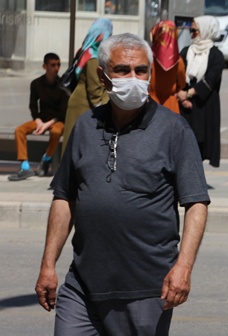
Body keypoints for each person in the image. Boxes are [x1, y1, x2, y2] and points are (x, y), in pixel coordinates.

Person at [34, 33, 210, 335]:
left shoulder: (174, 130)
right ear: (103, 77)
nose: (133, 78)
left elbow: (196, 203)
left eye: (141, 70)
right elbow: (64, 197)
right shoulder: (85, 127)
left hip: (145, 288)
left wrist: (184, 267)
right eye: (122, 70)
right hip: (83, 286)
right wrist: (48, 265)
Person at [9, 53, 68, 181]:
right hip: (41, 119)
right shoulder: (36, 84)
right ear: (44, 66)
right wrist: (39, 121)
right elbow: (33, 106)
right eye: (53, 65)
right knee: (20, 130)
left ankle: (46, 159)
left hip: (57, 120)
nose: (56, 68)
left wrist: (46, 125)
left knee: (56, 131)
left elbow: (62, 112)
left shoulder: (63, 85)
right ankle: (25, 167)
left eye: (58, 65)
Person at [177, 16, 224, 167]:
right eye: (190, 30)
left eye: (195, 31)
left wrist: (189, 94)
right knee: (184, 144)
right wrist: (182, 97)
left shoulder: (216, 55)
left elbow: (211, 79)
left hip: (205, 107)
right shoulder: (186, 51)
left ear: (205, 31)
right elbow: (178, 75)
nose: (191, 34)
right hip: (185, 106)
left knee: (200, 145)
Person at [61, 18, 112, 155]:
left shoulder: (86, 50)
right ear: (101, 34)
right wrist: (103, 110)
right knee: (77, 147)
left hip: (79, 102)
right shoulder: (94, 57)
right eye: (109, 33)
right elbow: (94, 90)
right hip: (84, 105)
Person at [149, 20, 186, 114]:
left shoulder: (148, 57)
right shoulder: (178, 61)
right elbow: (182, 83)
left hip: (151, 103)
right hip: (171, 105)